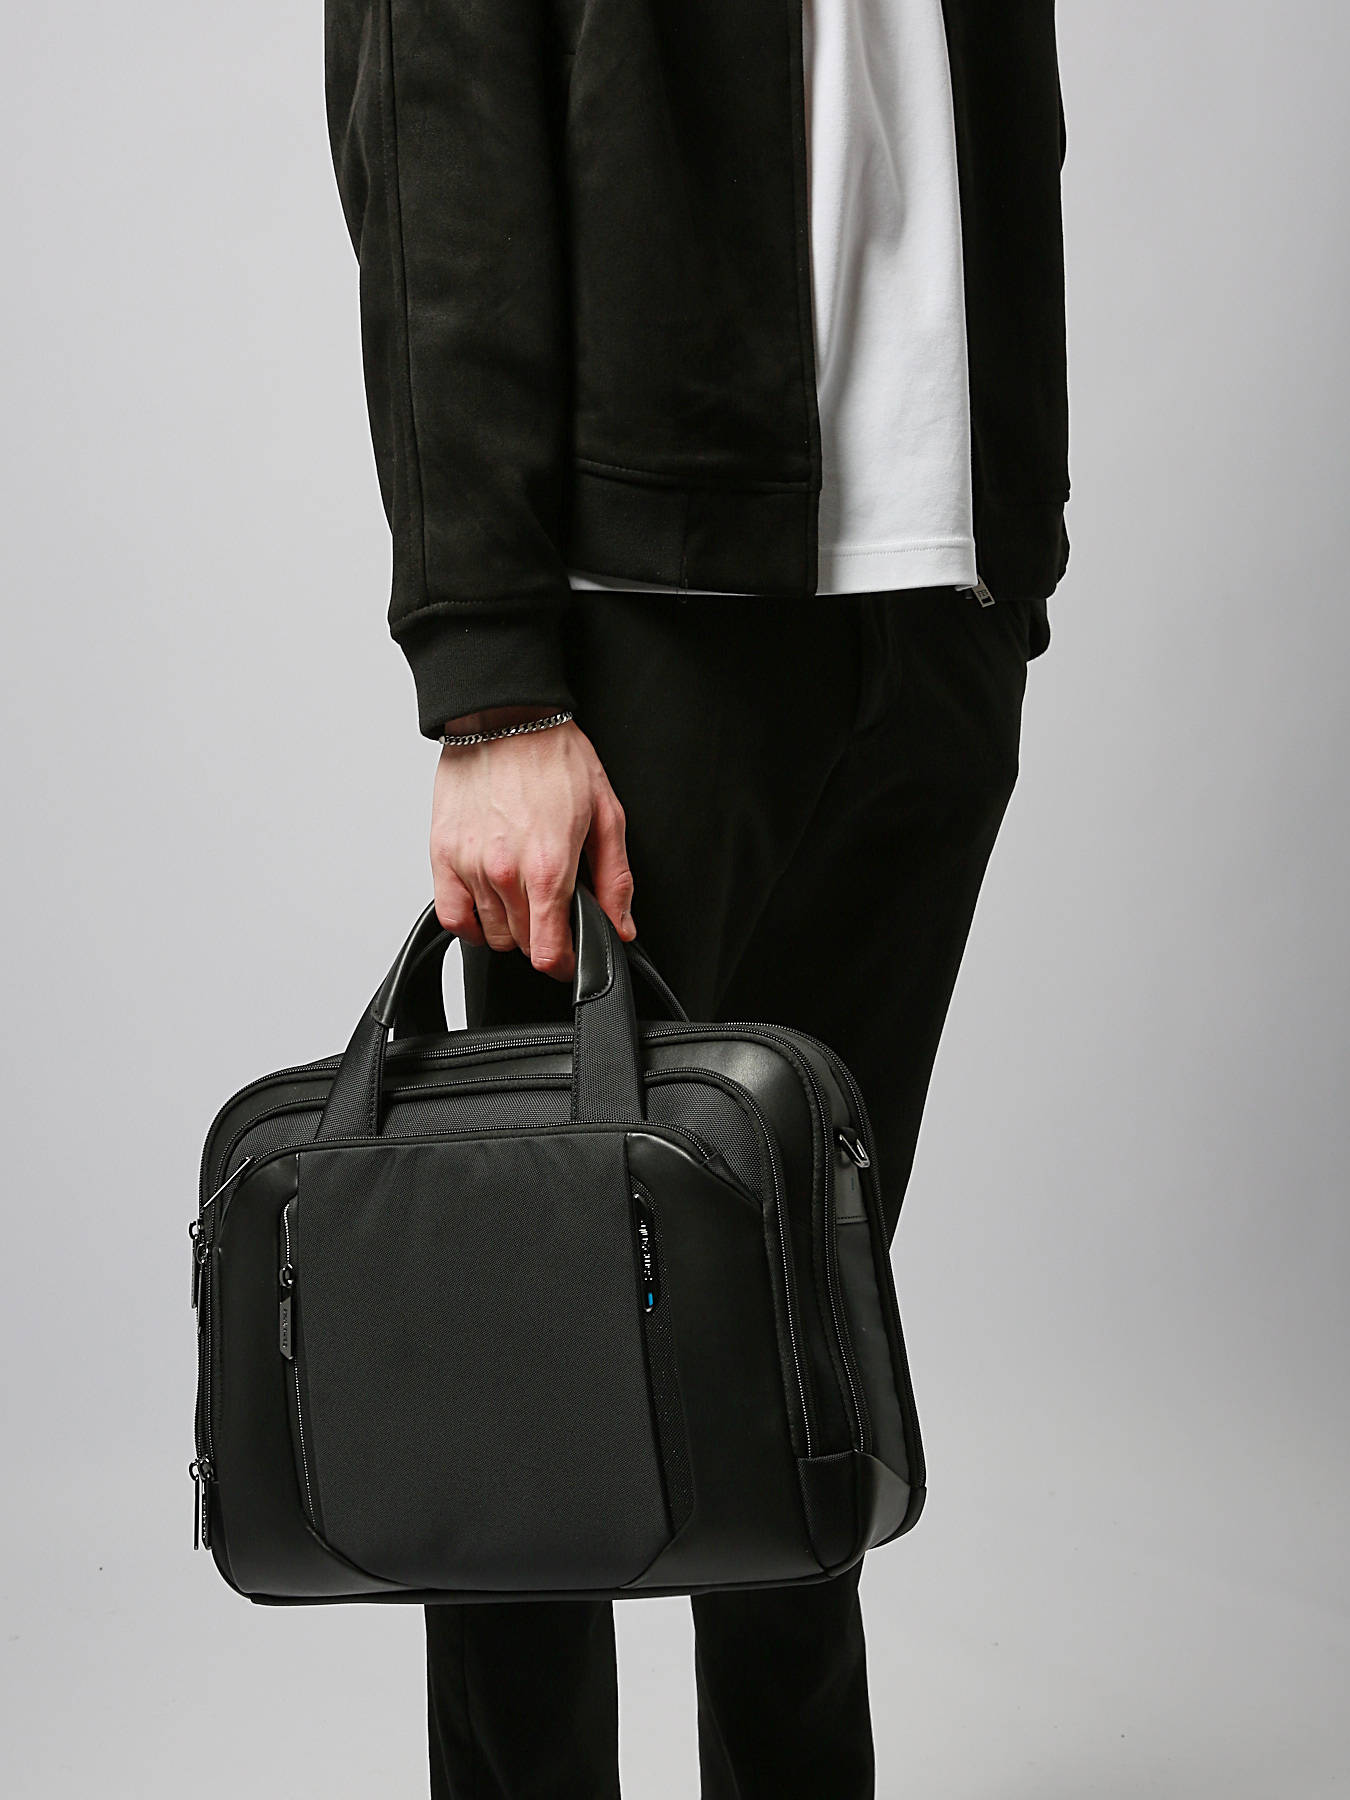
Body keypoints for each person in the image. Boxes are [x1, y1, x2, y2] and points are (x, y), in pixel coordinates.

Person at [324, 0, 1069, 1793]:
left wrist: (1010, 553)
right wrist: (491, 681)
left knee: (811, 1332)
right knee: (537, 1345)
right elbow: (438, 133)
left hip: (934, 601)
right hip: (638, 614)